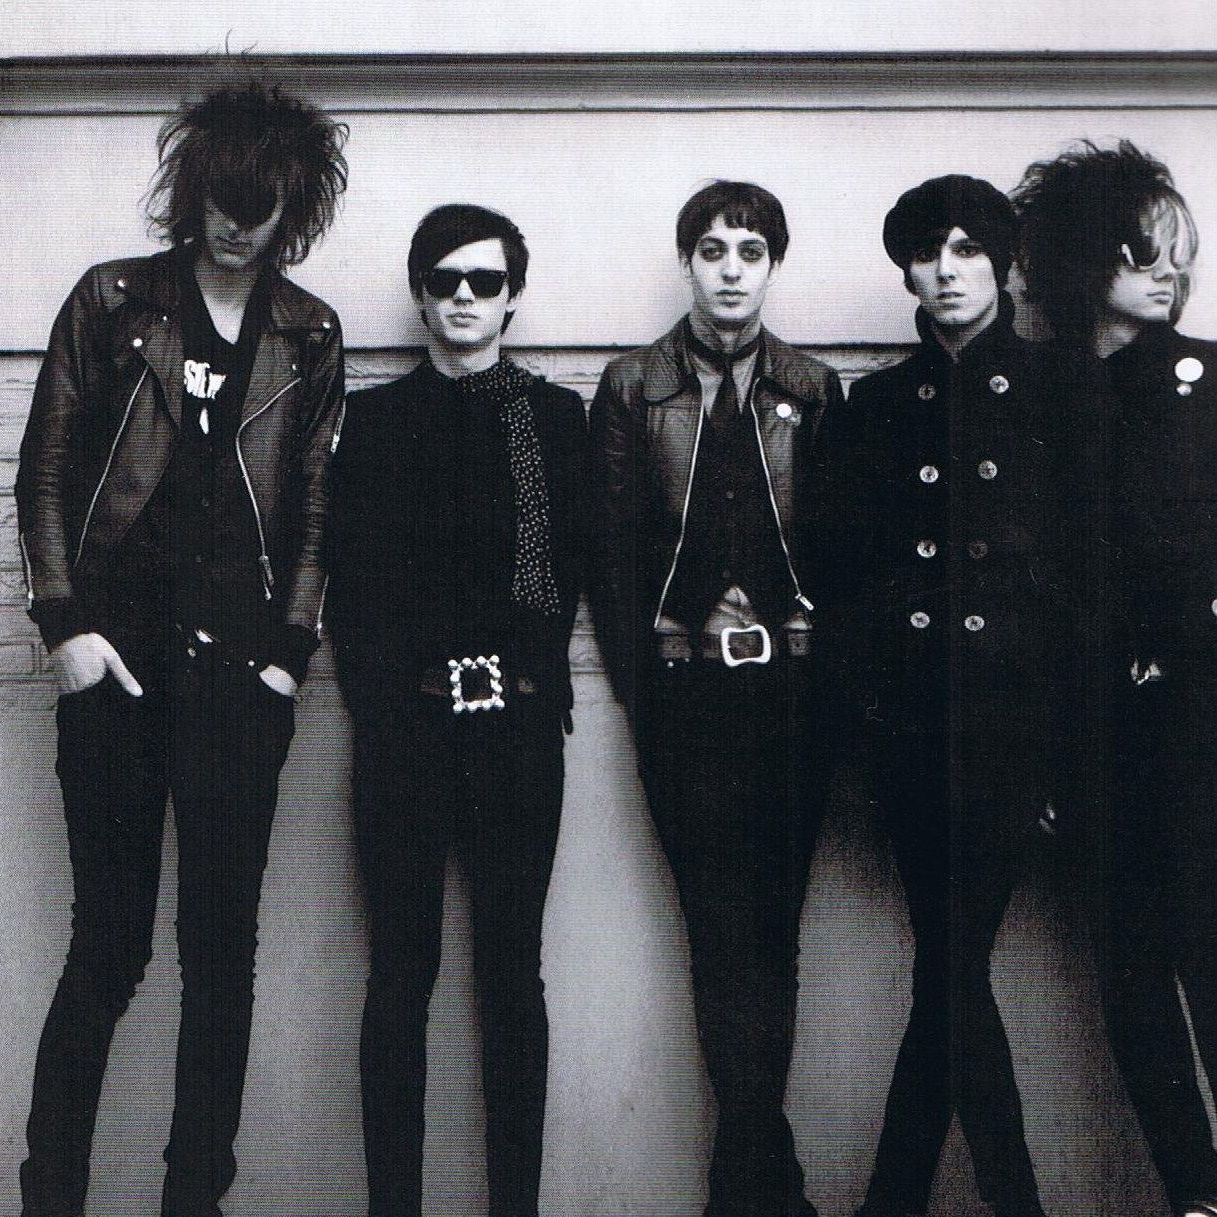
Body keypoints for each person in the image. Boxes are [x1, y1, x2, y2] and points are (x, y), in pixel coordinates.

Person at [14, 81, 347, 1217]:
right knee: (108, 948)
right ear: (192, 188)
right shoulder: (112, 300)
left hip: (238, 675)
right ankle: (49, 1196)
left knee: (220, 958)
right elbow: (44, 470)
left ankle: (192, 1200)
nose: (235, 225)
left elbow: (314, 508)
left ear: (293, 207)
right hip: (115, 664)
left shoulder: (307, 332)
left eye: (261, 207)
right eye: (221, 199)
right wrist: (65, 627)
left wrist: (287, 656)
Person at [589, 180, 848, 1217]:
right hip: (684, 697)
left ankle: (744, 1184)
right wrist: (641, 683)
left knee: (773, 931)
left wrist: (822, 674)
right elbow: (609, 549)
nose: (730, 269)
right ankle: (763, 1180)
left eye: (749, 250)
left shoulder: (814, 387)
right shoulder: (631, 384)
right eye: (711, 249)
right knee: (716, 927)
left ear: (772, 264)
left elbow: (835, 544)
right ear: (686, 262)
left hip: (790, 697)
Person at [326, 203, 587, 1217]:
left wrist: (521, 678)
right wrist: (392, 705)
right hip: (405, 737)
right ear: (419, 293)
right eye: (445, 280)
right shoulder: (373, 421)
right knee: (400, 975)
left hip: (514, 736)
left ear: (512, 295)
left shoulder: (542, 417)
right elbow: (355, 588)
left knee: (511, 977)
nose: (465, 297)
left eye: (484, 280)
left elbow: (549, 574)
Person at [846, 175, 1072, 1217]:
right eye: (927, 252)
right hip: (910, 735)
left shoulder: (1062, 390)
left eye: (967, 249)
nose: (946, 271)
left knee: (947, 968)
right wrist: (864, 731)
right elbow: (850, 578)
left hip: (1013, 732)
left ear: (1001, 262)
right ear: (905, 268)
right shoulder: (878, 405)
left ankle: (935, 1199)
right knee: (949, 970)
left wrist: (1066, 747)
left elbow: (1089, 579)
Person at [1014, 141, 1217, 1217]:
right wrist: (1049, 750)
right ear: (1082, 258)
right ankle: (1195, 1193)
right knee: (1131, 975)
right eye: (1141, 251)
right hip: (1092, 732)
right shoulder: (1038, 398)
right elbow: (1036, 584)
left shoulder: (1208, 381)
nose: (1166, 271)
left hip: (1199, 717)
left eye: (1177, 252)